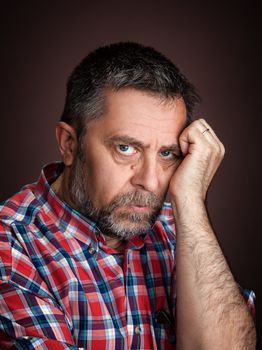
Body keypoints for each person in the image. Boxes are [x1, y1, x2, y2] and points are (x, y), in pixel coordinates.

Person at [0, 42, 256, 350]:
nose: (150, 181)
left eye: (166, 153)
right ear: (69, 143)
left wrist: (189, 202)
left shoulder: (179, 228)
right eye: (126, 148)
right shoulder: (11, 246)